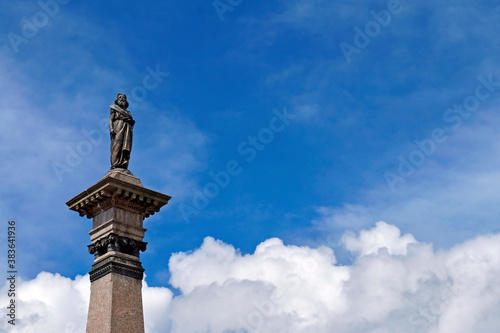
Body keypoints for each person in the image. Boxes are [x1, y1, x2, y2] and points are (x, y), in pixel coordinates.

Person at [109, 93, 135, 170]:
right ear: (117, 99)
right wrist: (111, 128)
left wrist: (130, 121)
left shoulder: (128, 113)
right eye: (120, 97)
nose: (122, 98)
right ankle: (115, 164)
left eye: (124, 97)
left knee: (126, 146)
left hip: (127, 128)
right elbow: (110, 120)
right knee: (117, 144)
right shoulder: (114, 108)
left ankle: (123, 163)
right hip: (118, 125)